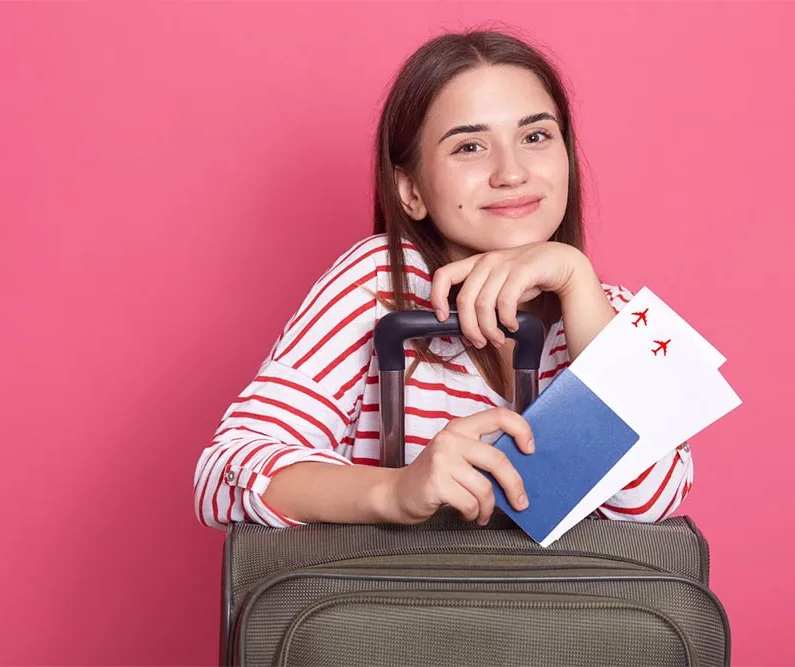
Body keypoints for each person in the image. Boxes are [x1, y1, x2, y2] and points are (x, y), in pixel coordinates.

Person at [194, 29, 693, 531]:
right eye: (470, 146)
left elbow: (651, 499)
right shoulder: (378, 282)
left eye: (536, 136)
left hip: (554, 610)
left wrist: (575, 276)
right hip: (395, 607)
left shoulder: (614, 313)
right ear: (410, 190)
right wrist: (395, 489)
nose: (511, 172)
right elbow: (223, 474)